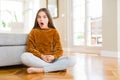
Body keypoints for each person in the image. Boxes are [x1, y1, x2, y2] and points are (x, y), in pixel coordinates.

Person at [21, 8, 75, 73]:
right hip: (39, 59)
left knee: (72, 60)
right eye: (39, 17)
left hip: (53, 60)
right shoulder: (33, 32)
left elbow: (59, 50)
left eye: (44, 17)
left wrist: (53, 57)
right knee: (24, 56)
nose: (41, 19)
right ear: (37, 20)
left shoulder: (54, 32)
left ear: (48, 19)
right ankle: (56, 68)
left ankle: (42, 69)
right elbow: (30, 48)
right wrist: (42, 56)